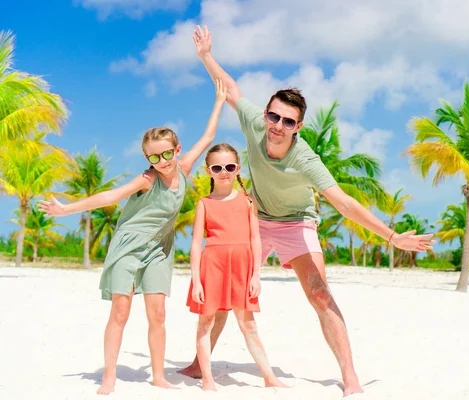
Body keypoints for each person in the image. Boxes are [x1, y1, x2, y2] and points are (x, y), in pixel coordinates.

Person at [180, 26, 435, 397]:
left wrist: (392, 236)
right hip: (256, 218)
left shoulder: (306, 159)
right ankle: (197, 363)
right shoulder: (255, 122)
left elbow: (344, 203)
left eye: (287, 121)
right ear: (266, 114)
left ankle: (349, 376)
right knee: (226, 287)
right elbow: (232, 89)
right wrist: (205, 56)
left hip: (297, 224)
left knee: (319, 293)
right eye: (273, 116)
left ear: (298, 126)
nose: (277, 126)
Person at [38, 80, 228, 395]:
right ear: (147, 159)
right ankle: (109, 375)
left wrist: (219, 101)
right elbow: (109, 197)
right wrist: (65, 209)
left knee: (158, 312)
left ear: (176, 149)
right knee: (121, 310)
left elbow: (208, 136)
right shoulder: (146, 179)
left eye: (167, 154)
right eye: (154, 157)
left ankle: (157, 375)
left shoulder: (183, 169)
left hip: (159, 251)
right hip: (128, 246)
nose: (162, 162)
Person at [186, 143, 290, 391]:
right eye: (217, 167)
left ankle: (269, 377)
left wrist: (256, 275)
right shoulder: (204, 203)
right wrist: (196, 281)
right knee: (205, 323)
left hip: (242, 268)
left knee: (249, 325)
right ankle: (207, 380)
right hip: (211, 267)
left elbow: (256, 239)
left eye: (229, 166)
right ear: (209, 171)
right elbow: (195, 243)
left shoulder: (247, 201)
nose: (224, 172)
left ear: (237, 169)